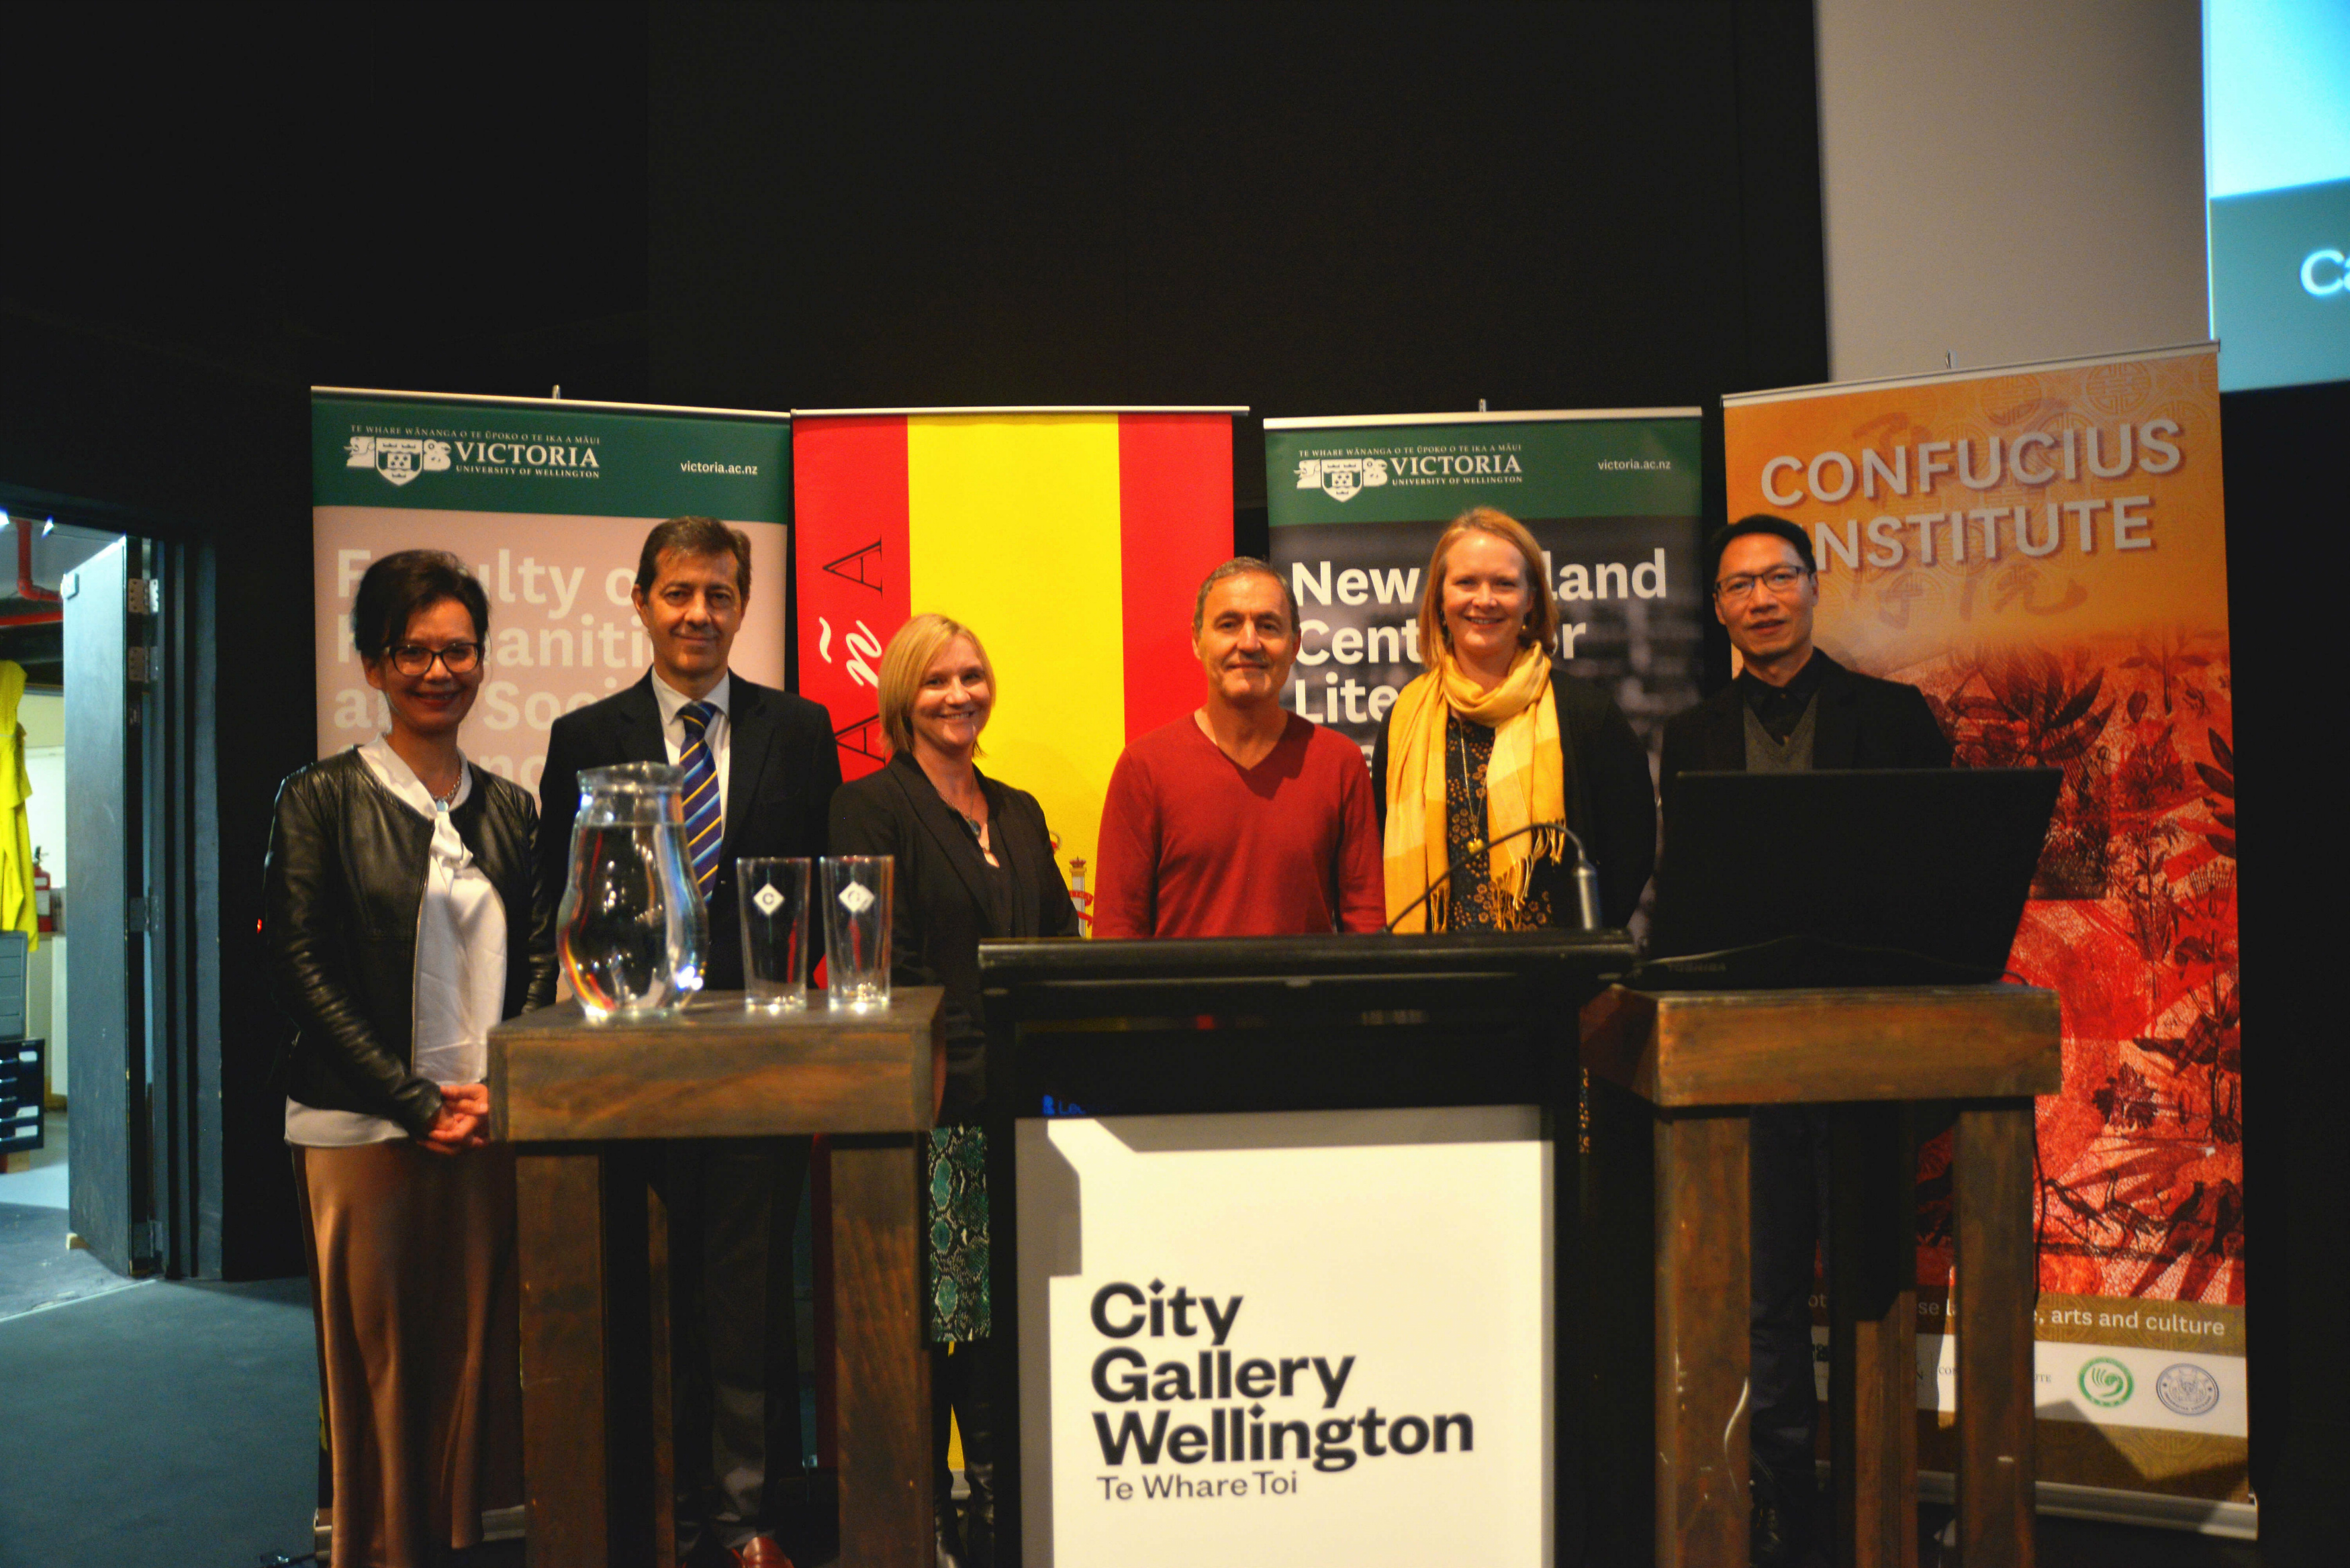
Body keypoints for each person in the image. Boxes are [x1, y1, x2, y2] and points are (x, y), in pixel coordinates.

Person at [537, 516, 840, 1568]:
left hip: (760, 1071)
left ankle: (747, 1520)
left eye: (718, 594)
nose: (698, 614)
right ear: (640, 601)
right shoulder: (586, 737)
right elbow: (556, 900)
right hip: (629, 1075)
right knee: (646, 1297)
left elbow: (823, 893)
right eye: (678, 594)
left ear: (743, 606)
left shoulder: (799, 731)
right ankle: (655, 1514)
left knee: (750, 1301)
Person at [1660, 513, 1950, 1568]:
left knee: (1875, 1286)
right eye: (1738, 586)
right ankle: (1783, 1510)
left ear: (1815, 587)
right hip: (1751, 1058)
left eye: (1778, 577)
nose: (1761, 599)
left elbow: (1936, 886)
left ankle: (1881, 1504)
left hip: (1871, 1055)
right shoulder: (1689, 736)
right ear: (1723, 610)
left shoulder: (1896, 717)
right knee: (1767, 1296)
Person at [267, 550, 556, 1567]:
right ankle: (379, 1550)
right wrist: (412, 1099)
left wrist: (499, 1087)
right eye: (415, 652)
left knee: (473, 1353)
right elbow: (300, 965)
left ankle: (456, 1542)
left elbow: (536, 958)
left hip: (484, 1122)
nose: (441, 672)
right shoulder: (320, 799)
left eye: (460, 651)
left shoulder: (513, 809)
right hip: (363, 1127)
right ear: (373, 663)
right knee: (378, 1361)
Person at [829, 614, 1077, 1568]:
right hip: (931, 1108)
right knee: (945, 1324)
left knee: (1010, 1325)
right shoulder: (870, 808)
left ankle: (1005, 1519)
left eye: (973, 676)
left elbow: (1057, 941)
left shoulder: (1014, 808)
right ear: (902, 698)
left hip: (1028, 1108)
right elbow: (875, 966)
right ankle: (926, 1522)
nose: (959, 695)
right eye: (936, 682)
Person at [1372, 506, 1656, 931]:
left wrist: (1583, 954)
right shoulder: (1403, 720)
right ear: (1439, 599)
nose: (1484, 599)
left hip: (1555, 981)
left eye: (1504, 584)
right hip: (1434, 978)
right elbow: (1375, 850)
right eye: (1466, 582)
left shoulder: (1585, 713)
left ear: (1530, 600)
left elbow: (1630, 852)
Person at [1094, 558, 1384, 938]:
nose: (1249, 643)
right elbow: (1117, 936)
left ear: (1295, 645)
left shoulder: (1339, 764)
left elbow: (1366, 927)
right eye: (1229, 625)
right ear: (1197, 641)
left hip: (1306, 997)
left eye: (1268, 626)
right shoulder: (1144, 767)